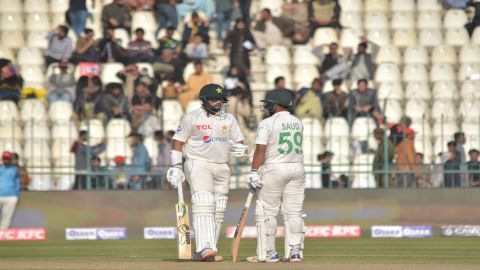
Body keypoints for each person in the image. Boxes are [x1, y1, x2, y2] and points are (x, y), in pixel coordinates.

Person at [166, 83, 248, 261]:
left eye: (220, 99)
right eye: (213, 99)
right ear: (204, 100)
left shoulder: (229, 119)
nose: (218, 103)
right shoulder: (192, 117)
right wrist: (176, 166)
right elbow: (178, 142)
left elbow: (240, 144)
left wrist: (240, 149)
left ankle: (211, 249)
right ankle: (204, 247)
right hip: (198, 163)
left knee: (219, 207)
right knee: (204, 201)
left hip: (222, 165)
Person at [244, 89, 305, 263]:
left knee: (267, 211)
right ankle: (295, 252)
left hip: (275, 168)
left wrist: (253, 172)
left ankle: (271, 253)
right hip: (297, 168)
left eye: (270, 104)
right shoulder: (298, 122)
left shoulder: (267, 123)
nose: (268, 107)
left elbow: (260, 150)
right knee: (294, 212)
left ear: (277, 105)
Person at [0, 151, 20, 228]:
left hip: (11, 196)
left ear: (10, 159)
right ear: (2, 159)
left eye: (8, 159)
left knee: (7, 217)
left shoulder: (15, 170)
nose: (6, 160)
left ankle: (2, 234)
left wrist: (17, 196)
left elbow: (17, 183)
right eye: (4, 158)